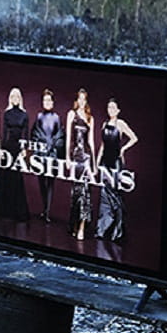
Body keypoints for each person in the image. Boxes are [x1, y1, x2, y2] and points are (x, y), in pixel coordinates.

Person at [94, 97, 139, 243]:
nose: (110, 110)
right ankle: (102, 230)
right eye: (109, 107)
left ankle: (117, 232)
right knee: (104, 195)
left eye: (113, 108)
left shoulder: (121, 123)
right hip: (105, 162)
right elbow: (102, 145)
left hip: (116, 162)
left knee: (116, 195)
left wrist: (123, 149)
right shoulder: (104, 124)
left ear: (118, 110)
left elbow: (134, 138)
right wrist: (96, 162)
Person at [0, 87, 30, 222]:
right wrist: (2, 150)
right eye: (13, 96)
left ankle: (17, 211)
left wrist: (24, 149)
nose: (15, 99)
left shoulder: (24, 114)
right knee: (5, 178)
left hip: (18, 149)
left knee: (17, 179)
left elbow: (26, 134)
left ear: (20, 98)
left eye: (17, 96)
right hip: (8, 147)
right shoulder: (7, 113)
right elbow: (4, 133)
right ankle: (4, 210)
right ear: (10, 98)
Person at [29, 88, 65, 224]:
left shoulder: (56, 118)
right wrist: (40, 143)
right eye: (45, 100)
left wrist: (53, 145)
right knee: (41, 182)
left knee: (50, 183)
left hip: (51, 155)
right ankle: (44, 209)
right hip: (40, 154)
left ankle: (48, 212)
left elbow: (60, 135)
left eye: (49, 100)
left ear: (53, 102)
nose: (47, 102)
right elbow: (34, 134)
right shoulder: (38, 116)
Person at [67, 88, 96, 240]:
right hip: (75, 157)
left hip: (86, 158)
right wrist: (67, 158)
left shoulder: (90, 118)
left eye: (84, 99)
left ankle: (82, 228)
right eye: (80, 99)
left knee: (86, 193)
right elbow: (68, 139)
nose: (82, 102)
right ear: (77, 100)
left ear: (86, 101)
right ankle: (74, 224)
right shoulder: (71, 114)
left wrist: (94, 164)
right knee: (75, 193)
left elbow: (90, 142)